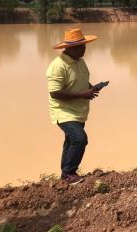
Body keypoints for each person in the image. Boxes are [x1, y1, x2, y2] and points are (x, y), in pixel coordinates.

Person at [46, 28, 103, 184]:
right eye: (82, 46)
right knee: (79, 139)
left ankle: (65, 174)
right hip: (63, 111)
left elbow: (82, 80)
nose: (85, 49)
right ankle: (70, 173)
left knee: (70, 141)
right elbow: (55, 93)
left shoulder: (80, 61)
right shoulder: (57, 66)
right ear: (71, 48)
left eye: (84, 45)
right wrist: (82, 95)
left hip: (79, 111)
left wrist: (91, 88)